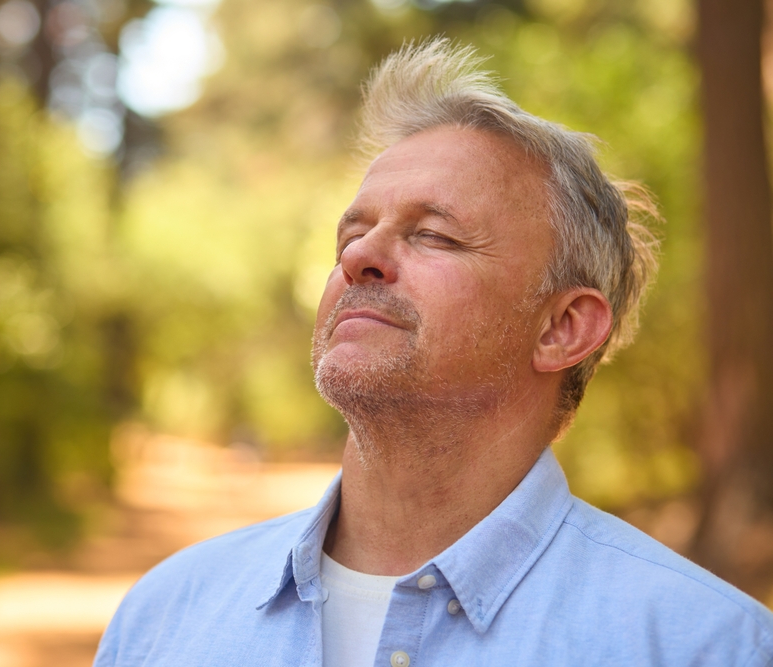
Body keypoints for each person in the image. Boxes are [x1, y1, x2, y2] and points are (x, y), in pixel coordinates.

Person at [94, 39, 773, 666]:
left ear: (562, 327)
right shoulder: (162, 620)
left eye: (434, 236)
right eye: (351, 234)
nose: (359, 256)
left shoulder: (706, 646)